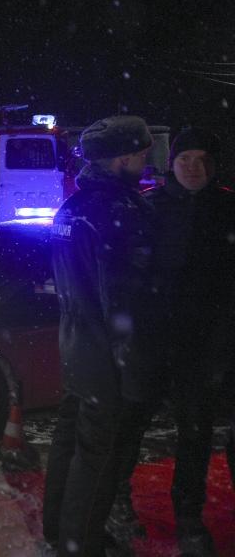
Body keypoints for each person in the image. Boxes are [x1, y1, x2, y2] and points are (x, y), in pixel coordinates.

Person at [42, 115, 164, 556]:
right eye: (142, 155)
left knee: (69, 442)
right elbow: (122, 300)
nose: (146, 163)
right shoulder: (118, 212)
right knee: (98, 455)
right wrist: (131, 366)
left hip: (76, 346)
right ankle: (80, 544)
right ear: (123, 158)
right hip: (108, 357)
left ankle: (58, 530)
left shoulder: (72, 208)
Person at [143, 128, 235, 555]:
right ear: (171, 164)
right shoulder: (151, 209)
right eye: (185, 160)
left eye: (201, 159)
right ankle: (189, 518)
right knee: (193, 435)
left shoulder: (227, 207)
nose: (193, 167)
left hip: (226, 341)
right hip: (177, 346)